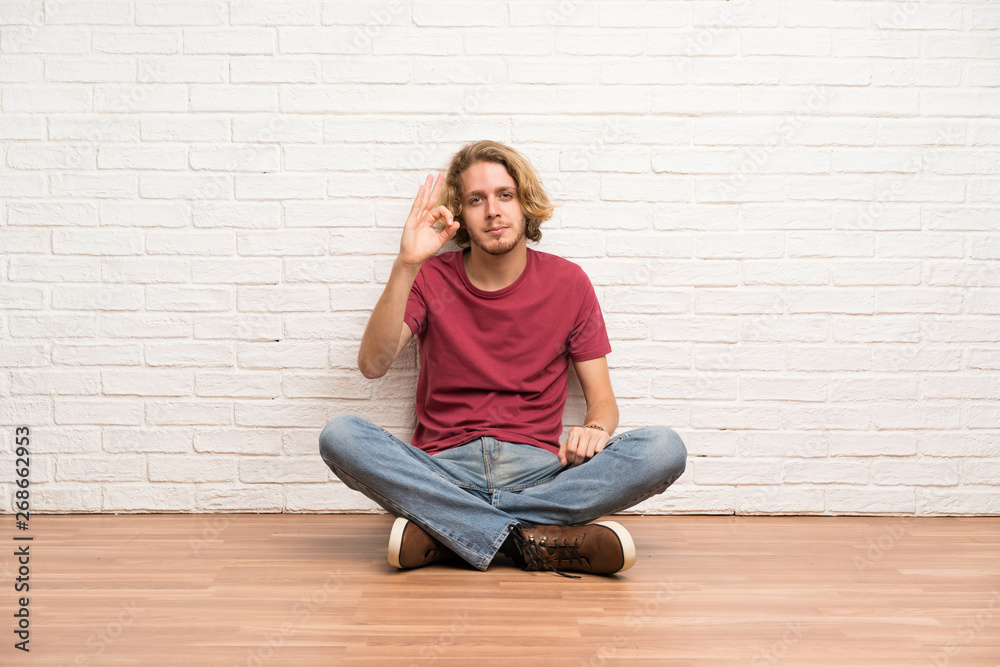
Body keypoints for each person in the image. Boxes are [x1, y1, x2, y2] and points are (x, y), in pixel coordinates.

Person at [319, 140, 686, 577]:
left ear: (524, 202)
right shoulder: (430, 277)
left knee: (665, 448)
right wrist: (406, 263)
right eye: (476, 200)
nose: (492, 211)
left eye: (504, 195)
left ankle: (447, 533)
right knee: (339, 435)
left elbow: (603, 401)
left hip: (542, 475)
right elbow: (373, 365)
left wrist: (594, 429)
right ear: (461, 215)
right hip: (441, 471)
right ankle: (532, 540)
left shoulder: (569, 282)